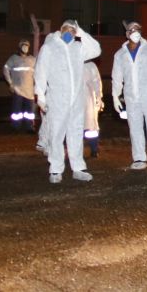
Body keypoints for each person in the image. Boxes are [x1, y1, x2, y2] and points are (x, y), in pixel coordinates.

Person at [34, 20, 101, 183]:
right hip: (57, 100)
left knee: (76, 134)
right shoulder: (50, 48)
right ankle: (56, 169)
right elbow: (40, 72)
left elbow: (96, 49)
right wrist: (40, 96)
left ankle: (78, 168)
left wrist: (81, 32)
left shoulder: (78, 48)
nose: (69, 33)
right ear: (61, 29)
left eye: (72, 31)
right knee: (56, 135)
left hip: (76, 100)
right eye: (67, 29)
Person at [112, 21, 147, 171]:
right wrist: (115, 95)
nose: (135, 32)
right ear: (127, 34)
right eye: (132, 30)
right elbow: (117, 76)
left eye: (138, 29)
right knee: (135, 128)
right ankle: (139, 158)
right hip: (131, 97)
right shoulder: (120, 54)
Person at [3, 39, 36, 133]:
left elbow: (38, 73)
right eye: (23, 45)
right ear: (20, 47)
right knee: (16, 110)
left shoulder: (33, 59)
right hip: (18, 89)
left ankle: (29, 127)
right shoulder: (13, 58)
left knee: (29, 111)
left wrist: (36, 86)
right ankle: (15, 126)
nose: (25, 47)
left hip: (29, 90)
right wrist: (10, 83)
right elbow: (5, 69)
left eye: (27, 45)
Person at [83, 60, 103, 158]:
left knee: (91, 126)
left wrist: (99, 96)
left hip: (88, 100)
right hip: (74, 101)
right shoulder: (70, 62)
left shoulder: (90, 66)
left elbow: (96, 82)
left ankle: (94, 148)